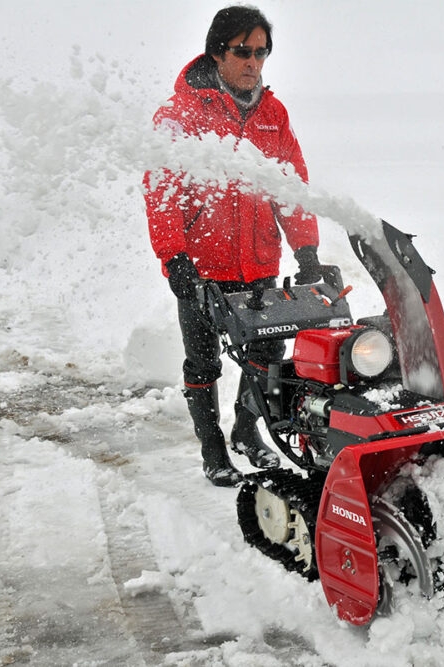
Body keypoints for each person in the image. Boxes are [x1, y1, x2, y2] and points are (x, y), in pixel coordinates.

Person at [143, 6, 323, 487]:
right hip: (203, 267)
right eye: (243, 52)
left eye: (261, 52)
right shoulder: (181, 114)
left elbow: (291, 185)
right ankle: (212, 447)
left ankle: (246, 431)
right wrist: (174, 257)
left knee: (266, 352)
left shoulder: (272, 114)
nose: (254, 63)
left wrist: (306, 252)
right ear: (217, 52)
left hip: (259, 260)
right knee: (204, 360)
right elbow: (162, 191)